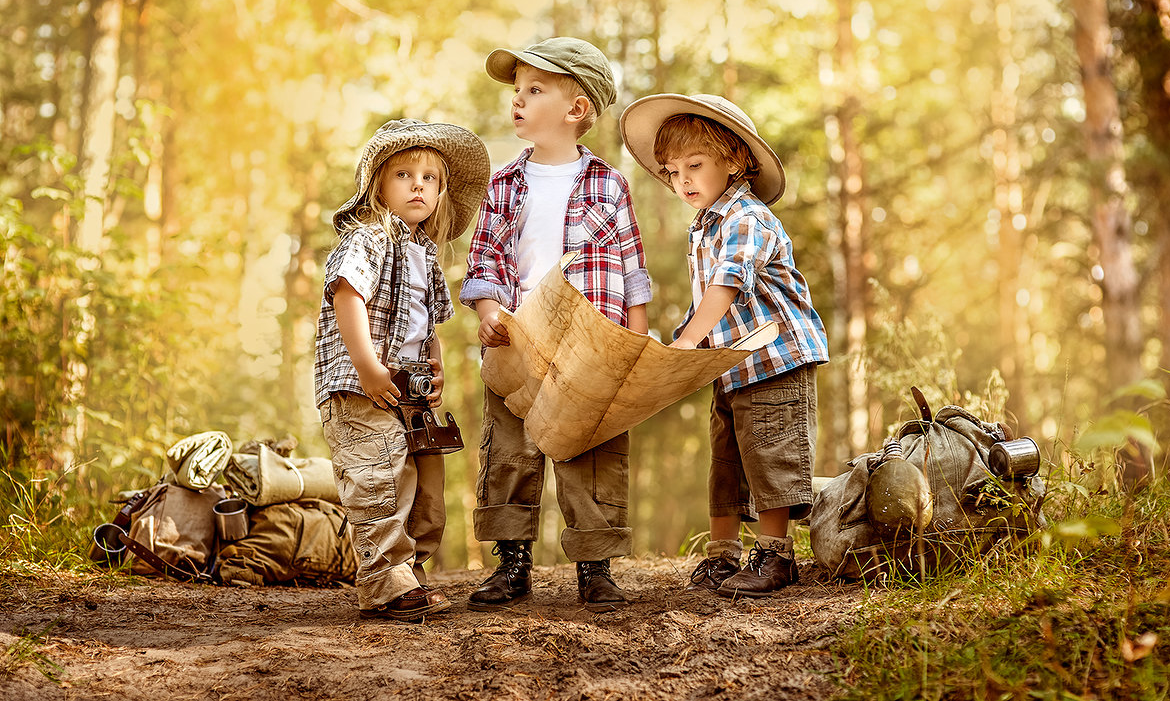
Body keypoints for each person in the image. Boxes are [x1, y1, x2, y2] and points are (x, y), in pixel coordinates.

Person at [460, 37, 651, 612]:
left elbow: (632, 266)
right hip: (521, 339)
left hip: (592, 345)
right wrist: (491, 313)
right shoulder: (504, 184)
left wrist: (637, 336)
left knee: (591, 453)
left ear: (577, 110)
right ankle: (511, 563)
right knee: (511, 452)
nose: (518, 100)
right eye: (516, 91)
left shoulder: (609, 184)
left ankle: (595, 566)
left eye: (534, 90)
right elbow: (486, 261)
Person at [619, 94, 829, 598]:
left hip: (773, 360)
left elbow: (727, 284)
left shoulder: (745, 217)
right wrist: (683, 347)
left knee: (770, 456)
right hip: (731, 367)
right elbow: (705, 304)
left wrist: (690, 339)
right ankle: (721, 556)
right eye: (672, 171)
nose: (682, 180)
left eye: (695, 165)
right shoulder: (706, 223)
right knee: (727, 462)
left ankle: (777, 556)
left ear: (735, 161)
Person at [314, 118, 490, 620]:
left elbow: (427, 322)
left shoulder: (426, 253)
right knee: (378, 479)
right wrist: (368, 367)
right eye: (404, 175)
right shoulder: (366, 240)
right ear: (378, 186)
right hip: (360, 387)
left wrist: (433, 365)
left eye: (430, 178)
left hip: (407, 389)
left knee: (425, 483)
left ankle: (409, 572)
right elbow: (349, 295)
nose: (419, 185)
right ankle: (385, 580)